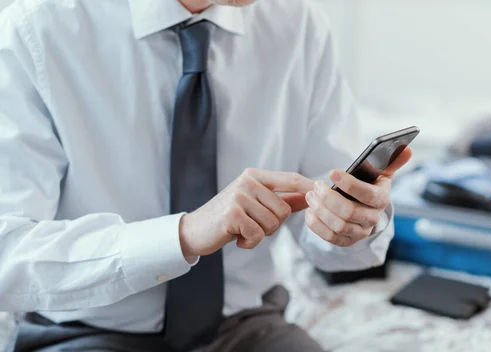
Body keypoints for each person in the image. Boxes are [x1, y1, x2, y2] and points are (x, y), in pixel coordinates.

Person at [0, 0, 412, 351]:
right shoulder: (33, 31)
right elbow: (8, 253)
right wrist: (184, 234)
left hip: (245, 327)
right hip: (87, 332)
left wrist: (352, 225)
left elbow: (327, 229)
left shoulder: (298, 23)